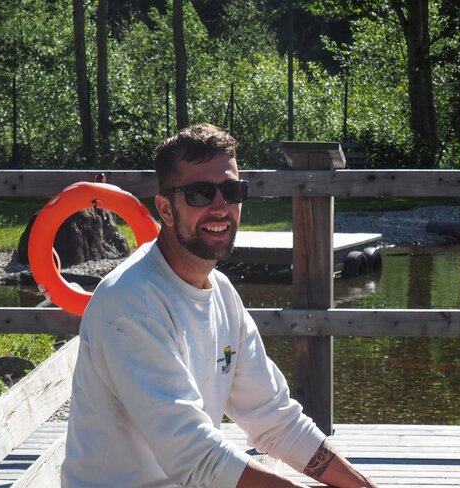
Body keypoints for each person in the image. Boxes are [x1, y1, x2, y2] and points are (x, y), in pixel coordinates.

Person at [61, 124, 379, 488]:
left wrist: (362, 486)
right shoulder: (131, 303)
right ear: (165, 209)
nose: (220, 208)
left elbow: (277, 420)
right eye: (199, 194)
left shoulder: (222, 294)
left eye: (232, 191)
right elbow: (196, 457)